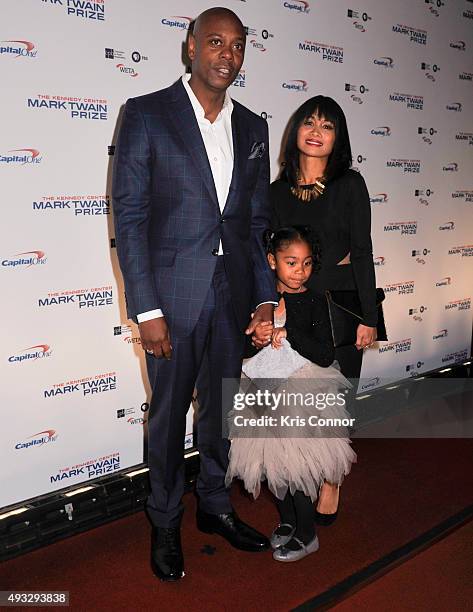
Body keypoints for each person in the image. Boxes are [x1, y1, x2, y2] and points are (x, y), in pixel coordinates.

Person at [112, 7, 277, 581]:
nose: (226, 55)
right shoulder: (147, 114)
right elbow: (129, 220)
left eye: (237, 45)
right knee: (165, 419)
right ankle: (163, 519)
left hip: (232, 300)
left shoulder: (253, 127)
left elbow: (256, 224)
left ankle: (214, 506)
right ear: (190, 48)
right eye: (214, 42)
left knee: (222, 414)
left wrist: (264, 296)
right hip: (172, 303)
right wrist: (147, 308)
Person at [270, 96, 377, 524]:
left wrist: (369, 317)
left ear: (339, 138)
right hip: (294, 308)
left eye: (327, 126)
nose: (316, 131)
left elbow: (364, 253)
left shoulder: (350, 185)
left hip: (346, 308)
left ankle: (332, 479)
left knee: (339, 399)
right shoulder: (277, 192)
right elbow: (273, 255)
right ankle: (304, 468)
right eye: (309, 122)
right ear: (295, 129)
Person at [226, 226, 356, 562]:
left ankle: (307, 533)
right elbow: (241, 348)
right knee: (271, 465)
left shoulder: (313, 300)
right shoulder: (258, 301)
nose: (300, 271)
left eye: (307, 263)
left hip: (301, 392)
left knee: (296, 466)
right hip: (261, 388)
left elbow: (325, 354)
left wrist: (288, 331)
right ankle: (287, 521)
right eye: (291, 262)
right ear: (272, 261)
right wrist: (258, 338)